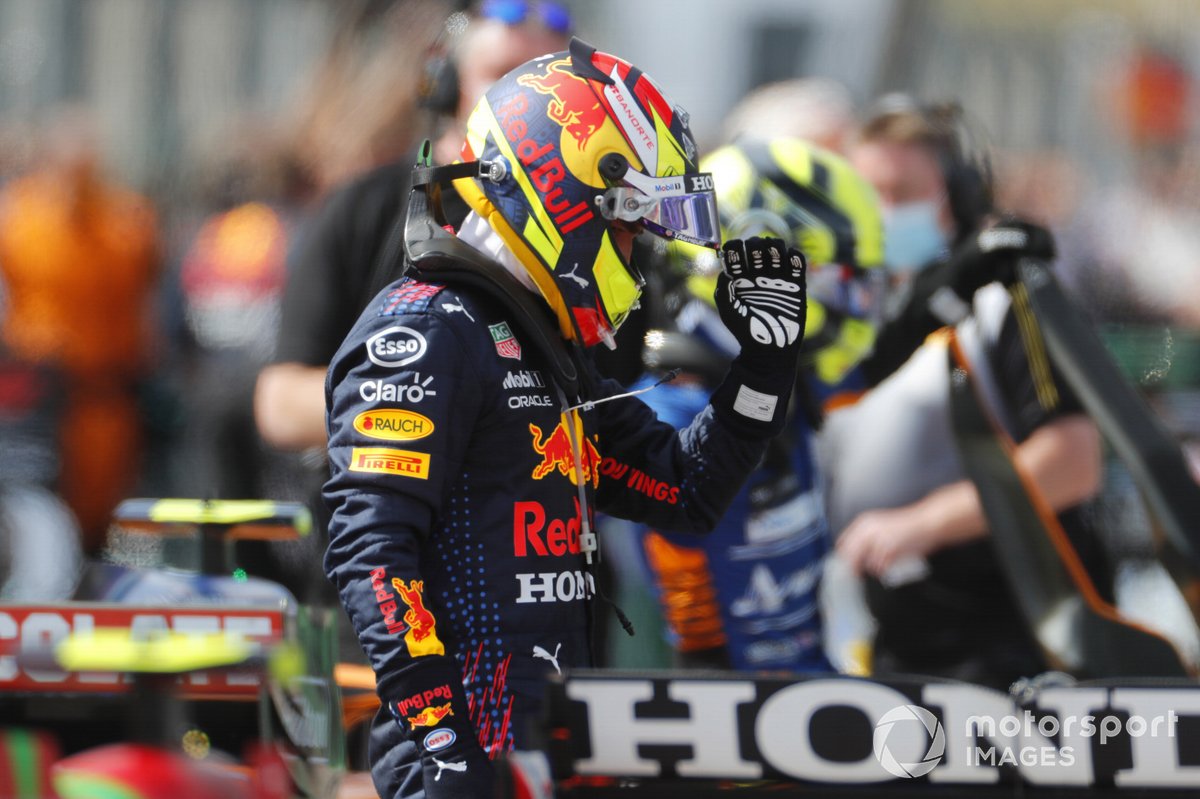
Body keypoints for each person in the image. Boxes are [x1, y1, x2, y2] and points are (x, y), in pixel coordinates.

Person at [322, 39, 809, 798]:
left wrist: (766, 367)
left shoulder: (545, 347)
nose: (636, 254)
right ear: (564, 192)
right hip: (462, 762)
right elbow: (372, 553)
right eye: (627, 227)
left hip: (554, 746)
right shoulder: (427, 329)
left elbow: (684, 491)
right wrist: (443, 739)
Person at [821, 97, 1109, 688]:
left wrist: (922, 523)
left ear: (958, 194)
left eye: (901, 193)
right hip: (891, 644)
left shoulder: (1009, 297)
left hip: (1013, 649)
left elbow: (1074, 462)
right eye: (865, 193)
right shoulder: (850, 316)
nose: (880, 213)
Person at [255, 1, 572, 452]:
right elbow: (280, 405)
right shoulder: (363, 207)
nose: (528, 104)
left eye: (549, 84)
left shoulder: (609, 231)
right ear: (445, 86)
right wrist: (428, 394)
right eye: (502, 76)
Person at [630, 137, 886, 671]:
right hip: (731, 721)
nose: (858, 304)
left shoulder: (795, 386)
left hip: (810, 691)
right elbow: (694, 636)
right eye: (840, 280)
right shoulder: (666, 419)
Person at [0, 108, 159, 553]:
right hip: (36, 399)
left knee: (103, 512)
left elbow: (147, 297)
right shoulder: (18, 217)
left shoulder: (126, 221)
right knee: (37, 515)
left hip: (106, 393)